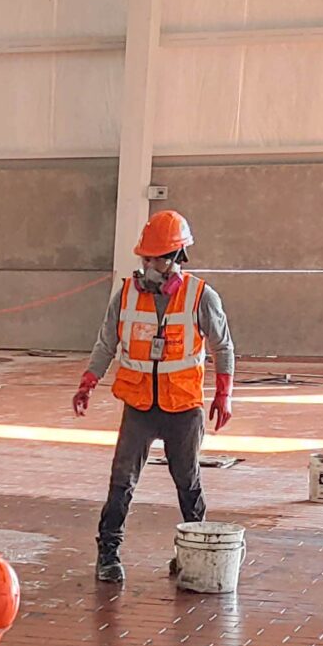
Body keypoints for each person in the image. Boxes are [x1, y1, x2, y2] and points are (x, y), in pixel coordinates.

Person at [70, 209, 235, 582]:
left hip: (183, 408)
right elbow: (106, 342)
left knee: (187, 481)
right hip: (139, 406)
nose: (148, 265)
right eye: (145, 258)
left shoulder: (200, 296)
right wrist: (88, 381)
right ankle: (108, 553)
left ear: (175, 258)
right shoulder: (126, 295)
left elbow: (222, 347)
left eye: (155, 258)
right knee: (122, 480)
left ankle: (193, 552)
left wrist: (224, 394)